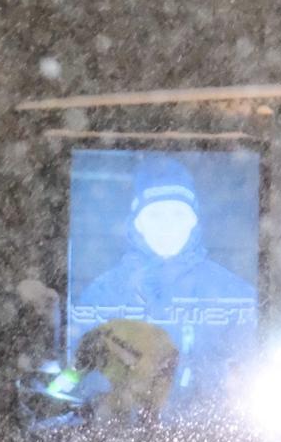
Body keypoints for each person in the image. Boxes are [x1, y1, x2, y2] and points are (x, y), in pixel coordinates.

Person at [68, 156, 257, 420]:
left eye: (178, 213)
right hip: (117, 439)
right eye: (155, 214)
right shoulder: (101, 295)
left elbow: (253, 372)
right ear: (138, 221)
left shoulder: (234, 294)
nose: (168, 225)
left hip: (210, 439)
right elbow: (74, 378)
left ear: (193, 221)